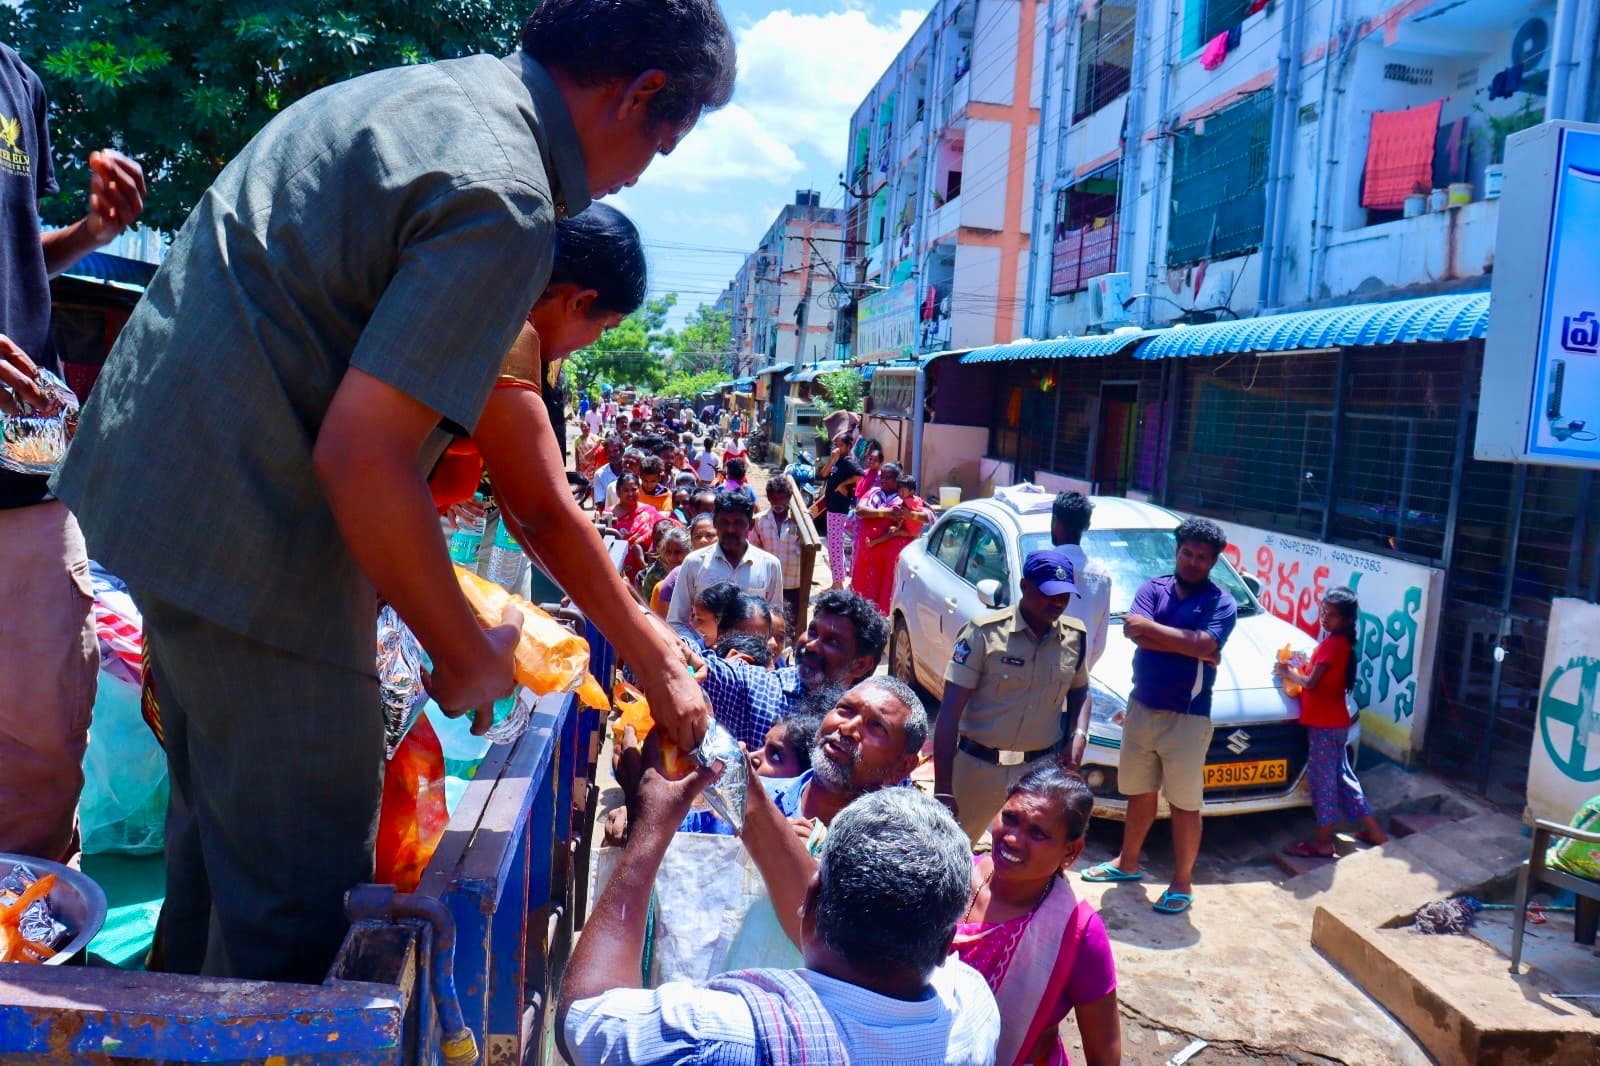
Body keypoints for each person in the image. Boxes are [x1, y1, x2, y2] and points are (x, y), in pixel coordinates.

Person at [50, 0, 736, 982]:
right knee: (297, 918)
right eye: (661, 143)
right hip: (258, 552)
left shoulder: (413, 100)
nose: (638, 173)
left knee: (214, 871)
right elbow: (368, 458)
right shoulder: (506, 196)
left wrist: (636, 642)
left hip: (169, 516)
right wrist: (463, 648)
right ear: (641, 94)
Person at [561, 767, 999, 1066]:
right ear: (945, 946)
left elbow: (583, 1015)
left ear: (809, 908)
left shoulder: (720, 1035)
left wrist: (651, 828)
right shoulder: (973, 1012)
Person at [0, 39, 147, 866]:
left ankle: (24, 967)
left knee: (44, 747)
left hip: (25, 474)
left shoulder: (17, 79)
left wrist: (93, 230)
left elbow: (20, 259)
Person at [1083, 518, 1237, 917]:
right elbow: (1133, 630)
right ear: (1177, 551)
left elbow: (1206, 642)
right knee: (1139, 792)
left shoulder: (1222, 602)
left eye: (1202, 557)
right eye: (1187, 553)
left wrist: (1171, 636)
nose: (1192, 562)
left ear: (1214, 561)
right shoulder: (1154, 587)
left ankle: (1182, 883)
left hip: (1187, 718)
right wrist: (1193, 646)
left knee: (1185, 804)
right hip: (1141, 707)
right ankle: (1127, 863)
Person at [955, 766, 1121, 1066]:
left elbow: (1105, 1053)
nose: (1013, 839)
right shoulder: (951, 878)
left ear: (1070, 852)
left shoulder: (1078, 932)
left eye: (1038, 833)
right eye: (1010, 818)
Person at [934, 551, 1091, 842]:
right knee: (948, 852)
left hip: (1039, 772)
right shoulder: (984, 634)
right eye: (1049, 593)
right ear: (1024, 586)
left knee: (1033, 858)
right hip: (978, 770)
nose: (1057, 603)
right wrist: (943, 787)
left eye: (1064, 596)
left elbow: (1081, 691)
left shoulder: (1074, 638)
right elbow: (949, 714)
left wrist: (1078, 734)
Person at [696, 587, 887, 749]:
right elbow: (685, 657)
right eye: (812, 632)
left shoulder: (874, 732)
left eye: (833, 641)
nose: (812, 645)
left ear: (861, 665)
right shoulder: (759, 687)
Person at [1278, 586, 1387, 858]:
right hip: (1336, 723)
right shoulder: (1340, 645)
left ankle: (1324, 843)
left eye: (1332, 615)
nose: (1325, 618)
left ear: (1347, 619)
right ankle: (1374, 832)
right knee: (1343, 777)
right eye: (1324, 611)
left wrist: (1287, 671)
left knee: (1322, 784)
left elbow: (1311, 684)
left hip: (1325, 727)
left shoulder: (1332, 645)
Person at [666, 490, 784, 625]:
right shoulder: (694, 563)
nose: (730, 529)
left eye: (738, 523)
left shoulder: (769, 565)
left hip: (751, 645)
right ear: (715, 522)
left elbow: (775, 623)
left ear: (751, 524)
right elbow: (676, 621)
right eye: (724, 522)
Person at [1051, 492, 1112, 671]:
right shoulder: (1102, 576)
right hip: (1078, 678)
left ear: (1055, 521)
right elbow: (1099, 643)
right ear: (1087, 525)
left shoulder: (1042, 566)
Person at [750, 479, 805, 623]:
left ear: (789, 498)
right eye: (774, 499)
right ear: (768, 498)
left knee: (792, 622)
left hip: (794, 583)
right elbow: (754, 549)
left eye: (782, 499)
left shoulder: (801, 522)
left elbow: (809, 547)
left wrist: (806, 519)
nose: (778, 503)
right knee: (769, 621)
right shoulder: (760, 520)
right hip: (769, 583)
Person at [816, 432, 863, 589]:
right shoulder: (838, 461)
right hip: (832, 508)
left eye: (841, 445)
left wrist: (843, 485)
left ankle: (838, 583)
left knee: (835, 546)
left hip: (839, 509)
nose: (837, 448)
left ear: (848, 446)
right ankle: (837, 580)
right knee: (835, 546)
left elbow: (860, 475)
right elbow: (823, 474)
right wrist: (833, 459)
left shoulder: (848, 461)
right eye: (836, 445)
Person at [641, 524, 690, 614]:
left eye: (678, 552)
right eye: (668, 552)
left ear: (689, 552)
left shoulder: (698, 581)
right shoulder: (655, 580)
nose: (672, 558)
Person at [589, 436, 626, 515]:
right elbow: (600, 503)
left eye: (615, 450)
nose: (612, 454)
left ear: (622, 451)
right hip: (611, 516)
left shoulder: (631, 469)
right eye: (609, 451)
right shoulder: (600, 474)